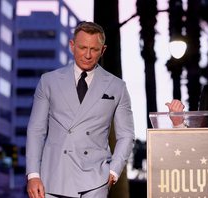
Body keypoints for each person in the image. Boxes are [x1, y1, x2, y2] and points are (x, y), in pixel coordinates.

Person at [26, 21, 135, 198]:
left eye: (94, 49)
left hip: (95, 180)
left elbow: (127, 135)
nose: (88, 55)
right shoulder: (49, 81)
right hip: (54, 178)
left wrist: (114, 171)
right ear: (72, 46)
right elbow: (36, 130)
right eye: (83, 47)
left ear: (103, 50)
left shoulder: (117, 86)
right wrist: (33, 174)